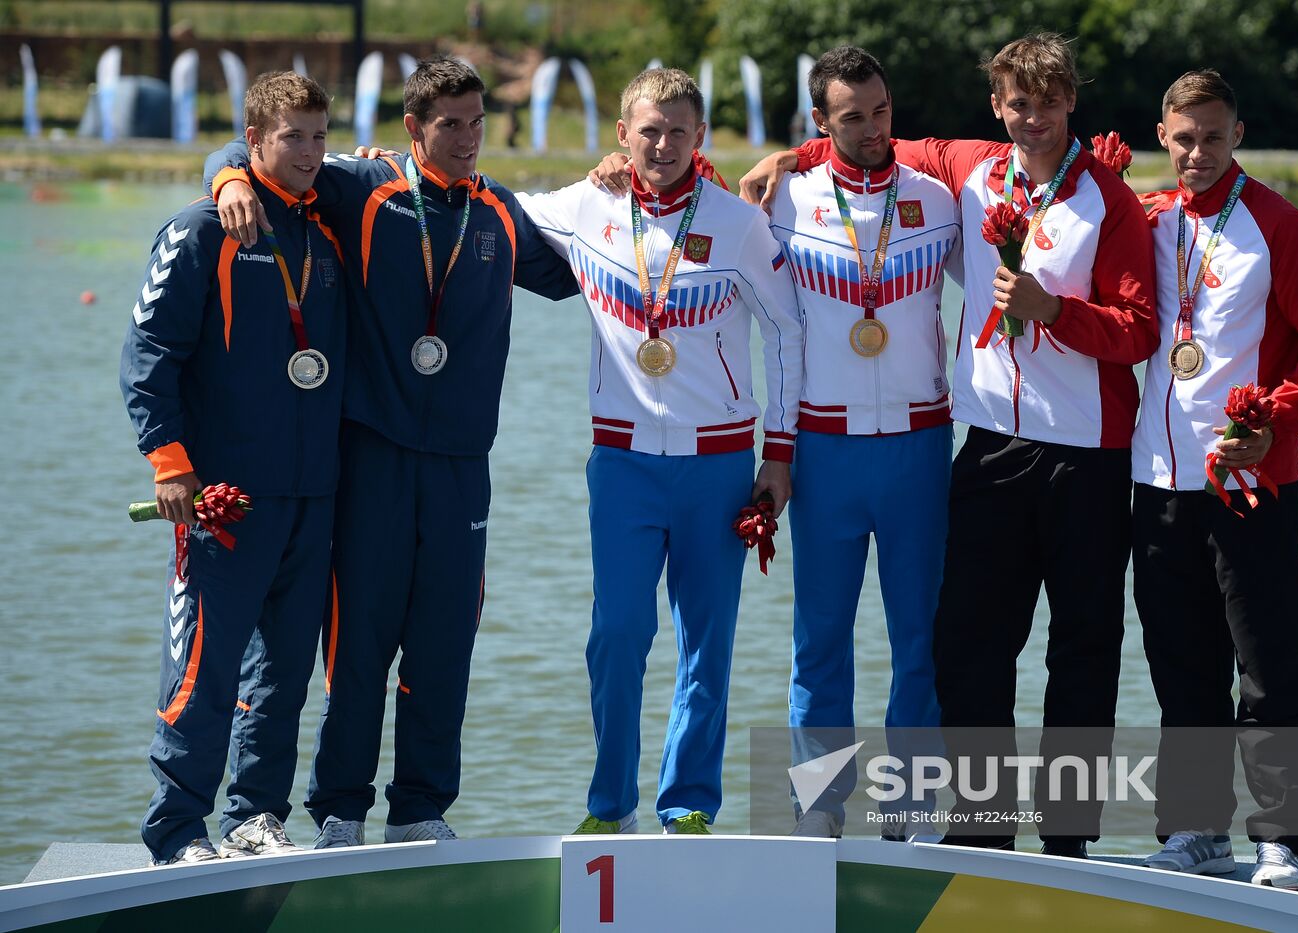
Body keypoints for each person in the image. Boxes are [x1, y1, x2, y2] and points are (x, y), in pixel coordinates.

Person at [741, 33, 1157, 856]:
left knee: (1023, 649)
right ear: (997, 108)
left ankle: (1038, 835)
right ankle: (908, 820)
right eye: (1016, 103)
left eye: (1047, 101)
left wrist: (1054, 310)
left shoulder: (1057, 193)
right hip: (935, 451)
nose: (1031, 118)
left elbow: (1141, 327)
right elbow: (857, 142)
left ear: (1072, 99)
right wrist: (793, 153)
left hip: (1028, 453)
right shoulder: (955, 170)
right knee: (909, 646)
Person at [207, 55, 578, 847]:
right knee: (358, 643)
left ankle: (420, 810)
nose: (468, 138)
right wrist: (228, 182)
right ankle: (341, 808)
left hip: (460, 469)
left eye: (478, 122)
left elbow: (590, 266)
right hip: (371, 458)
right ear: (414, 127)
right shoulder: (361, 186)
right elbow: (257, 152)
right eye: (450, 124)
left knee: (444, 644)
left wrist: (639, 184)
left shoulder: (499, 213)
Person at [515, 68, 803, 835]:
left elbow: (787, 333)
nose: (664, 144)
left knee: (705, 642)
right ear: (622, 135)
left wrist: (779, 452)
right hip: (624, 466)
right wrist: (384, 167)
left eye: (680, 130)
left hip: (717, 467)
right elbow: (487, 202)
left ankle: (688, 806)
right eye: (650, 130)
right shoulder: (586, 206)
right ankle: (609, 806)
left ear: (701, 138)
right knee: (617, 634)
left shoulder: (739, 224)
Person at [1132, 69, 1298, 888]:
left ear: (1239, 135)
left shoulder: (1281, 228)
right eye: (1184, 137)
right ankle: (1195, 828)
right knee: (1179, 663)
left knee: (1270, 662)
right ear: (1163, 134)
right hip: (1157, 485)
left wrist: (1275, 425)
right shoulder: (1146, 219)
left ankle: (1283, 839)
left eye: (1214, 137)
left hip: (1252, 486)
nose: (1198, 152)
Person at [121, 71, 345, 865]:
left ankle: (255, 814)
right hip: (224, 497)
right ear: (254, 142)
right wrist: (169, 462)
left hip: (311, 494)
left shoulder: (326, 228)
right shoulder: (202, 229)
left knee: (282, 673)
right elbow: (147, 355)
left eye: (321, 137)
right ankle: (177, 828)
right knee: (204, 667)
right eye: (294, 138)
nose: (312, 154)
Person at [763, 46, 960, 840]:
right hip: (825, 453)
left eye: (882, 111)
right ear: (819, 123)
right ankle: (820, 806)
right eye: (853, 117)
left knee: (921, 641)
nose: (875, 129)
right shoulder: (781, 203)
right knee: (821, 643)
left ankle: (910, 807)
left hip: (919, 448)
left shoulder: (941, 202)